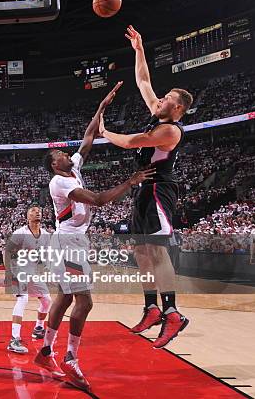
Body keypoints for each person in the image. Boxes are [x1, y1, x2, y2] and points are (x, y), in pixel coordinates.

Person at [35, 82, 155, 391]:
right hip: (69, 243)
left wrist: (102, 105)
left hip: (67, 241)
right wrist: (131, 180)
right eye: (61, 153)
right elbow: (100, 199)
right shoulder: (59, 184)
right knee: (84, 302)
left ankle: (46, 349)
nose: (67, 153)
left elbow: (88, 138)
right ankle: (70, 356)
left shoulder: (72, 168)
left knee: (63, 298)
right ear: (54, 164)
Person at [99, 25, 193, 349]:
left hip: (158, 188)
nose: (161, 99)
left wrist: (104, 131)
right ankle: (151, 307)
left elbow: (129, 142)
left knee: (157, 249)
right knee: (140, 251)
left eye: (168, 99)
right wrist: (139, 49)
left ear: (178, 108)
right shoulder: (159, 113)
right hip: (143, 187)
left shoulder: (171, 131)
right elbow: (143, 82)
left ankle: (173, 312)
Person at [4, 205, 52, 354]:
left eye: (39, 211)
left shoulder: (45, 234)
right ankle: (14, 339)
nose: (37, 212)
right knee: (22, 299)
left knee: (47, 300)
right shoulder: (20, 233)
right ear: (27, 216)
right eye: (33, 211)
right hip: (18, 270)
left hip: (32, 271)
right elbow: (6, 251)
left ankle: (38, 328)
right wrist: (9, 273)